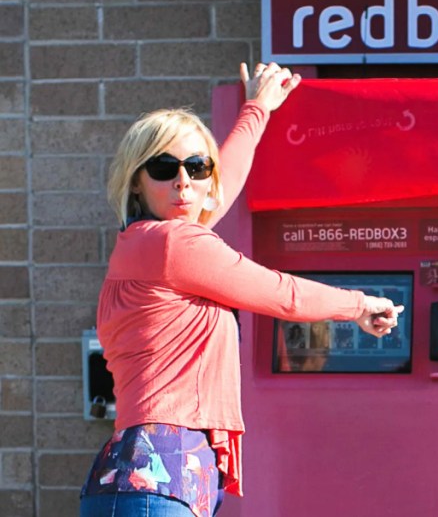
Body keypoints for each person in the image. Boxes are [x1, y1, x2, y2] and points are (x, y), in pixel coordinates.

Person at [79, 63, 404, 517]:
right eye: (163, 167)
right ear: (136, 179)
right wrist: (360, 304)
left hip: (154, 476)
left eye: (196, 166)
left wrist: (257, 109)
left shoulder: (146, 244)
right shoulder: (174, 243)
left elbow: (219, 188)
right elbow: (279, 292)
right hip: (159, 476)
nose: (183, 181)